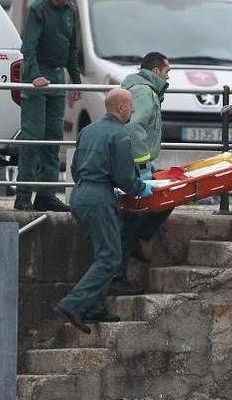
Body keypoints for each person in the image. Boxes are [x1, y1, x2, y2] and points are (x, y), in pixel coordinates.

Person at [54, 89, 152, 334]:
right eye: (130, 107)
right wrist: (141, 187)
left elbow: (76, 168)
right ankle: (73, 303)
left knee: (101, 251)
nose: (132, 111)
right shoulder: (120, 135)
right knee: (110, 257)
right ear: (121, 108)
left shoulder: (88, 131)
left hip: (80, 194)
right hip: (99, 197)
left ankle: (96, 306)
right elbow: (124, 177)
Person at [15, 0, 83, 212]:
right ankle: (23, 195)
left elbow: (71, 50)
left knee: (53, 138)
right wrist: (34, 76)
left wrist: (76, 80)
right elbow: (28, 47)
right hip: (38, 74)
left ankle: (46, 193)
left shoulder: (70, 11)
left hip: (56, 75)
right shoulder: (38, 10)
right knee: (33, 137)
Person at [109, 52, 174, 295]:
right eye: (167, 71)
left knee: (150, 206)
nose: (169, 76)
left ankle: (136, 240)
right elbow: (135, 127)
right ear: (157, 71)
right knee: (137, 215)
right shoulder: (145, 92)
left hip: (134, 163)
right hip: (137, 163)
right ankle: (126, 259)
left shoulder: (141, 89)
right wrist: (143, 166)